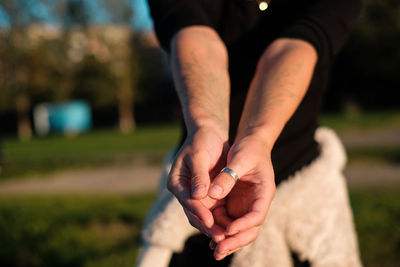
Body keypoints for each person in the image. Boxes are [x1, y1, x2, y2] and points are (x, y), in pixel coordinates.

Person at [137, 0, 363, 266]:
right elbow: (196, 36)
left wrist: (258, 138)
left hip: (306, 197)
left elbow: (294, 47)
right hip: (200, 193)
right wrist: (207, 127)